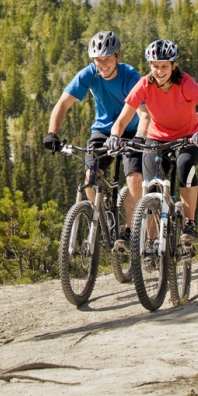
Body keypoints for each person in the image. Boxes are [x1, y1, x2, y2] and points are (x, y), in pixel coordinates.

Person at [108, 38, 198, 243]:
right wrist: (115, 136)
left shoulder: (187, 84)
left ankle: (189, 225)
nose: (159, 71)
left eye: (164, 66)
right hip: (156, 140)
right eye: (155, 66)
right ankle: (152, 242)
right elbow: (121, 121)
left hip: (189, 139)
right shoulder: (144, 84)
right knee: (150, 187)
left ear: (173, 65)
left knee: (184, 165)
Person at [43, 30, 149, 247]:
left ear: (118, 56)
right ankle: (101, 218)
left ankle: (129, 230)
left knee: (134, 179)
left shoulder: (130, 76)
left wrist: (140, 137)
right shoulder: (88, 74)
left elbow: (143, 113)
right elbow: (63, 103)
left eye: (107, 59)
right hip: (102, 131)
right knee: (89, 179)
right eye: (98, 60)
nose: (102, 64)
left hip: (131, 132)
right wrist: (52, 133)